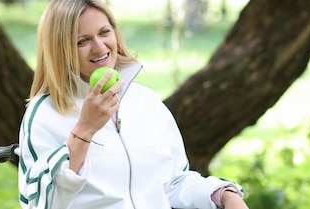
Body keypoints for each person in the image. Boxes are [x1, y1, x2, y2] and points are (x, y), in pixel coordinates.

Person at [17, 0, 249, 208]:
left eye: (104, 32)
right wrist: (85, 129)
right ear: (61, 50)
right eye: (82, 41)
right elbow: (43, 204)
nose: (99, 47)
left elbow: (172, 182)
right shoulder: (44, 114)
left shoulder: (145, 101)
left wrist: (222, 194)